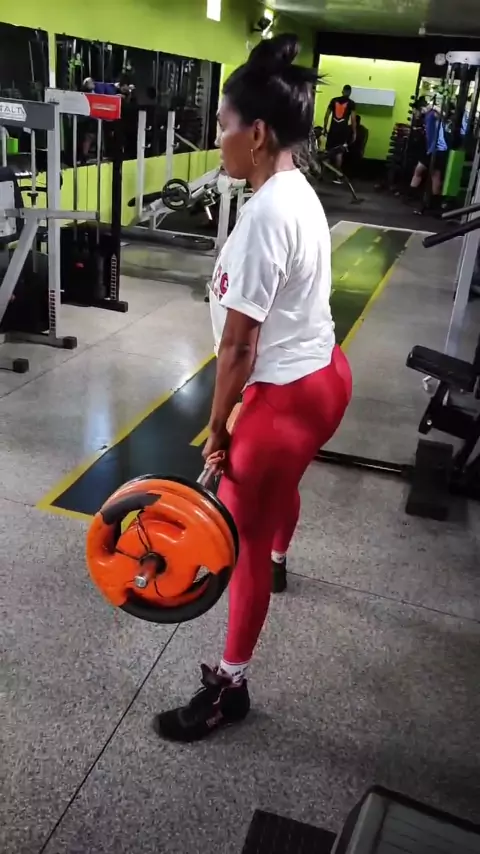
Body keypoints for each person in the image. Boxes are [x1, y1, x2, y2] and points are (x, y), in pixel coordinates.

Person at [153, 33, 352, 744]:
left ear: (257, 134)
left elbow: (238, 347)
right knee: (278, 491)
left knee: (242, 534)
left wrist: (218, 427)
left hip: (285, 398)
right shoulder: (299, 191)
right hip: (327, 376)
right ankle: (280, 558)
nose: (219, 142)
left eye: (224, 127)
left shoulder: (265, 215)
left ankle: (228, 690)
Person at [408, 102, 449, 211]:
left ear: (421, 109)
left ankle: (411, 196)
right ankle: (434, 204)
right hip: (435, 149)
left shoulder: (431, 114)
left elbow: (443, 114)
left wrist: (433, 107)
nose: (415, 114)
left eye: (415, 111)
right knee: (434, 175)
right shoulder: (427, 116)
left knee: (421, 171)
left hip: (437, 149)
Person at [323, 84, 357, 172]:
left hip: (333, 130)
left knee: (328, 152)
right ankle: (337, 175)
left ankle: (323, 173)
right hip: (343, 131)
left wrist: (324, 128)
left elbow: (327, 115)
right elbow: (353, 119)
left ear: (342, 91)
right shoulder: (351, 103)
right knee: (339, 153)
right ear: (350, 93)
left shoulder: (334, 100)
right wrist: (354, 132)